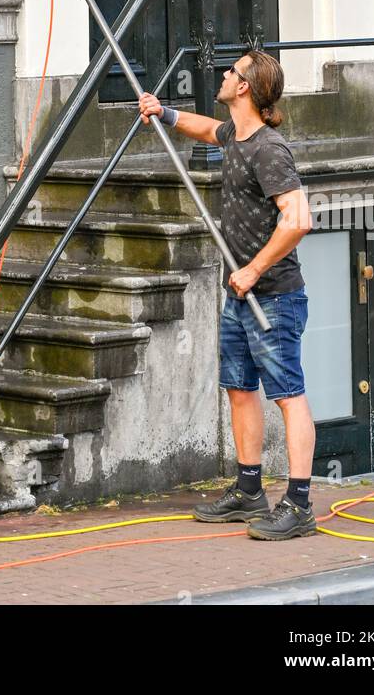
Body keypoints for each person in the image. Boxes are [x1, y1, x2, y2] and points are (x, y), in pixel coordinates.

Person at [138, 50, 317, 540]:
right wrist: (164, 112)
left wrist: (254, 270)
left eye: (231, 71)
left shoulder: (269, 149)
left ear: (245, 88)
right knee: (240, 389)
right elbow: (203, 130)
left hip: (274, 297)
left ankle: (299, 505)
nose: (222, 74)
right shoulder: (235, 137)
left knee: (288, 395)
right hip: (240, 296)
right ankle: (248, 490)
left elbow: (299, 219)